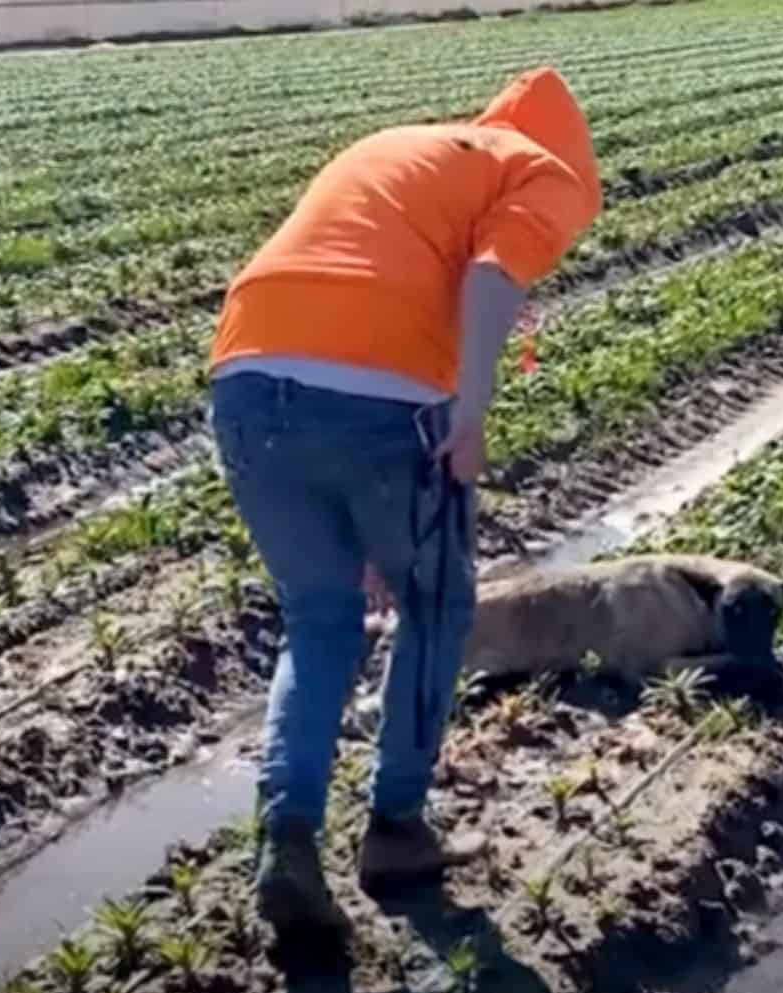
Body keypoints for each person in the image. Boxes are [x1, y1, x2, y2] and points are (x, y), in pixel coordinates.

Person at [205, 67, 602, 936]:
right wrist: (468, 414)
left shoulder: (410, 149)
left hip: (244, 380)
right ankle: (394, 829)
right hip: (383, 403)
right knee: (435, 606)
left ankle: (288, 838)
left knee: (319, 617)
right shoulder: (547, 172)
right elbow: (495, 280)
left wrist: (370, 533)